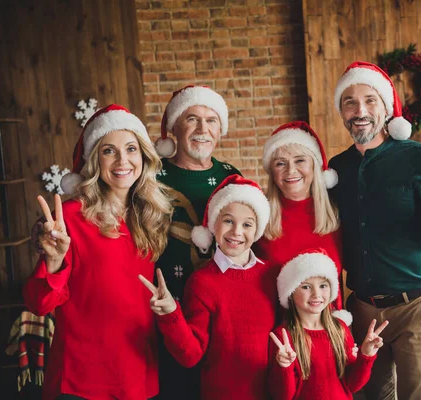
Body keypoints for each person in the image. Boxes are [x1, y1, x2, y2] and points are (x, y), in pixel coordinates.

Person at [329, 61, 421, 400]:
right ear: (341, 111)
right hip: (363, 310)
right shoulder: (337, 169)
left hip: (416, 307)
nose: (360, 110)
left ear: (385, 107)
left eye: (369, 100)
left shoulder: (417, 157)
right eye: (349, 101)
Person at [23, 104, 173, 400]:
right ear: (95, 160)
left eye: (131, 149)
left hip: (138, 373)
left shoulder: (150, 215)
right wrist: (53, 262)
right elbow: (39, 304)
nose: (122, 160)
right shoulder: (70, 217)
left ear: (143, 155)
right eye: (109, 150)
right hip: (82, 379)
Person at [139, 175, 279, 400]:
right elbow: (190, 355)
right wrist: (170, 314)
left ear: (257, 230)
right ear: (214, 224)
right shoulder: (202, 282)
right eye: (228, 221)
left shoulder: (273, 276)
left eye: (247, 224)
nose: (237, 232)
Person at [153, 85, 242, 399]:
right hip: (165, 307)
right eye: (192, 119)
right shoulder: (151, 176)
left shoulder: (231, 177)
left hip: (220, 312)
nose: (203, 129)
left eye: (212, 121)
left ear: (221, 130)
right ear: (175, 127)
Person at [268, 248, 388, 400]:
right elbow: (283, 395)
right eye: (306, 287)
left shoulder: (340, 329)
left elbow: (352, 385)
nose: (316, 294)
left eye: (323, 286)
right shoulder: (283, 337)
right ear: (290, 293)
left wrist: (366, 355)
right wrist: (284, 366)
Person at [254, 121, 346, 312]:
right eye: (281, 163)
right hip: (279, 331)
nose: (291, 170)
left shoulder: (337, 213)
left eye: (300, 160)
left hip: (329, 329)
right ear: (272, 172)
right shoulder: (259, 217)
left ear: (314, 165)